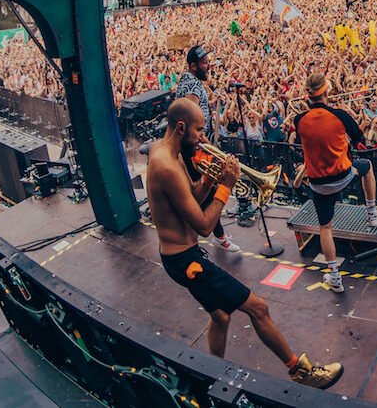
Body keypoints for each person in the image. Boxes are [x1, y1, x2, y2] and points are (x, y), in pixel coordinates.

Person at [146, 99, 342, 388]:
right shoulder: (167, 166)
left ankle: (213, 374)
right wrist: (226, 185)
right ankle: (300, 371)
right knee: (258, 307)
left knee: (221, 317)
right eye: (199, 130)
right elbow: (204, 226)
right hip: (186, 261)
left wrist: (210, 179)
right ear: (181, 128)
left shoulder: (167, 152)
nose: (202, 137)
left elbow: (190, 198)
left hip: (181, 256)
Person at [291, 73, 377, 293]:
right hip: (344, 175)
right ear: (326, 92)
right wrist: (342, 116)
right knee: (367, 166)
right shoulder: (340, 115)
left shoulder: (299, 120)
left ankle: (334, 276)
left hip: (318, 184)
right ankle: (371, 213)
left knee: (325, 228)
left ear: (308, 95)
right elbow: (359, 139)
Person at [175, 44, 241, 253]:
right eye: (204, 63)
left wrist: (210, 101)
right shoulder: (193, 86)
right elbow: (188, 115)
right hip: (195, 148)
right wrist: (202, 140)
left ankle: (216, 235)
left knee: (207, 190)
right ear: (194, 66)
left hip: (196, 145)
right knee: (207, 191)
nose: (208, 66)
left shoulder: (188, 80)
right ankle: (216, 236)